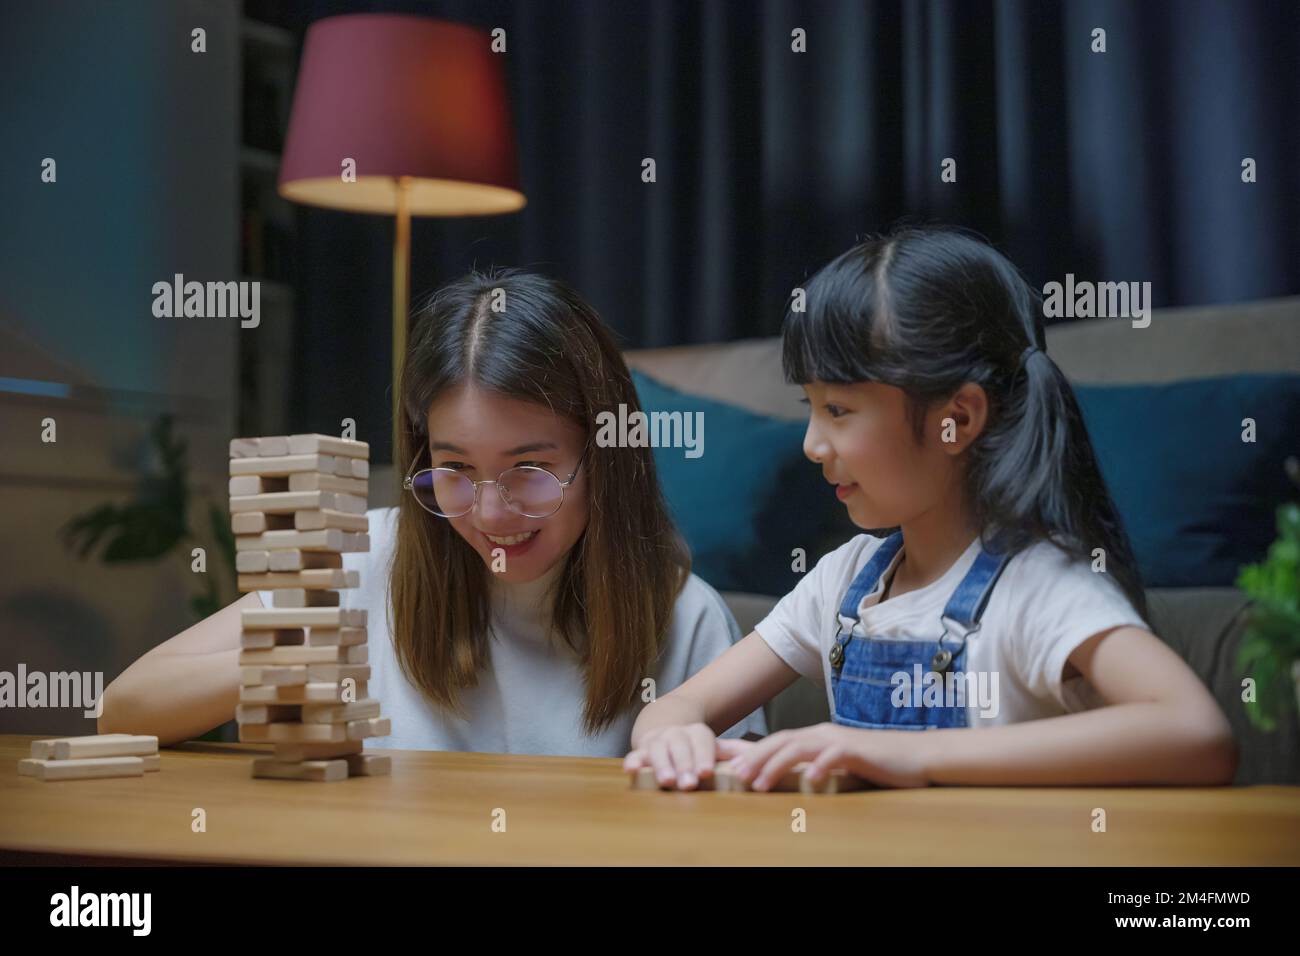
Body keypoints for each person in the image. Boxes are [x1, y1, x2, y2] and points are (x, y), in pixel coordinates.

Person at [625, 225, 1236, 790]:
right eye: (809, 407)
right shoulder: (845, 582)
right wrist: (674, 735)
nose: (811, 444)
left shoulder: (1038, 585)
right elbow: (674, 707)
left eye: (837, 410)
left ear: (958, 419)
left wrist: (908, 756)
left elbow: (1195, 731)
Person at [100, 270, 765, 755]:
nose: (492, 513)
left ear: (606, 459)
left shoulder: (685, 616)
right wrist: (289, 659)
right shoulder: (370, 556)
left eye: (529, 470)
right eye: (455, 470)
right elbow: (122, 710)